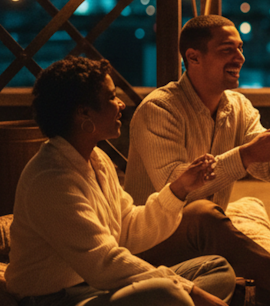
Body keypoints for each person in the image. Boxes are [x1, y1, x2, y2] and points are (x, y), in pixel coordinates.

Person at [6, 57, 234, 306]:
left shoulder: (97, 159)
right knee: (168, 293)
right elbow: (104, 262)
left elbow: (127, 227)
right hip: (55, 299)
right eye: (112, 97)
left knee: (217, 269)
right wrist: (188, 290)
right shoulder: (51, 179)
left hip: (96, 288)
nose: (120, 104)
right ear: (84, 112)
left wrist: (179, 189)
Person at [124, 15, 270, 304]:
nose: (240, 57)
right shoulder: (160, 110)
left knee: (217, 225)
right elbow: (174, 188)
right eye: (228, 50)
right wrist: (246, 154)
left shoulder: (238, 106)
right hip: (149, 241)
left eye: (240, 48)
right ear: (193, 57)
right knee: (203, 214)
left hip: (205, 243)